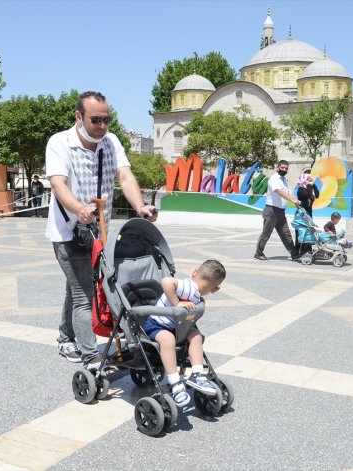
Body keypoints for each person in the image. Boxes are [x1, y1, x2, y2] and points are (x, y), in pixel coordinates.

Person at [45, 91, 157, 368]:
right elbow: (58, 184)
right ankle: (90, 354)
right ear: (78, 116)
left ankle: (64, 337)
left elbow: (125, 175)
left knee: (79, 288)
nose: (102, 126)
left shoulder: (111, 142)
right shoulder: (59, 142)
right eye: (96, 119)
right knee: (84, 292)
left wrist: (140, 206)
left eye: (107, 120)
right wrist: (79, 209)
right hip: (69, 231)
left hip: (101, 232)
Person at [142, 260, 227, 407]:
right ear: (215, 289)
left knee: (195, 336)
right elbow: (167, 281)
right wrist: (176, 303)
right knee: (167, 339)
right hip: (157, 325)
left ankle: (198, 375)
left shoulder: (196, 294)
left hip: (177, 327)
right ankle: (175, 382)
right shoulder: (188, 287)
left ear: (194, 272)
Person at [254, 160, 301, 261]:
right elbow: (279, 191)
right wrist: (291, 200)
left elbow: (289, 192)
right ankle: (258, 253)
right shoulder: (274, 179)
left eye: (286, 168)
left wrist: (295, 200)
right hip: (271, 211)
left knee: (286, 234)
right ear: (278, 168)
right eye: (282, 168)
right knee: (266, 234)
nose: (284, 170)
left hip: (280, 212)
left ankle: (294, 254)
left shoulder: (284, 180)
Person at [295, 173, 319, 255]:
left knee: (309, 232)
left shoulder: (310, 188)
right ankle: (299, 251)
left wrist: (314, 186)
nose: (311, 181)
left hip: (309, 214)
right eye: (310, 180)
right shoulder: (300, 190)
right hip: (302, 215)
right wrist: (309, 186)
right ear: (305, 180)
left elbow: (317, 195)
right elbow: (308, 195)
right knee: (301, 232)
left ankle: (308, 250)